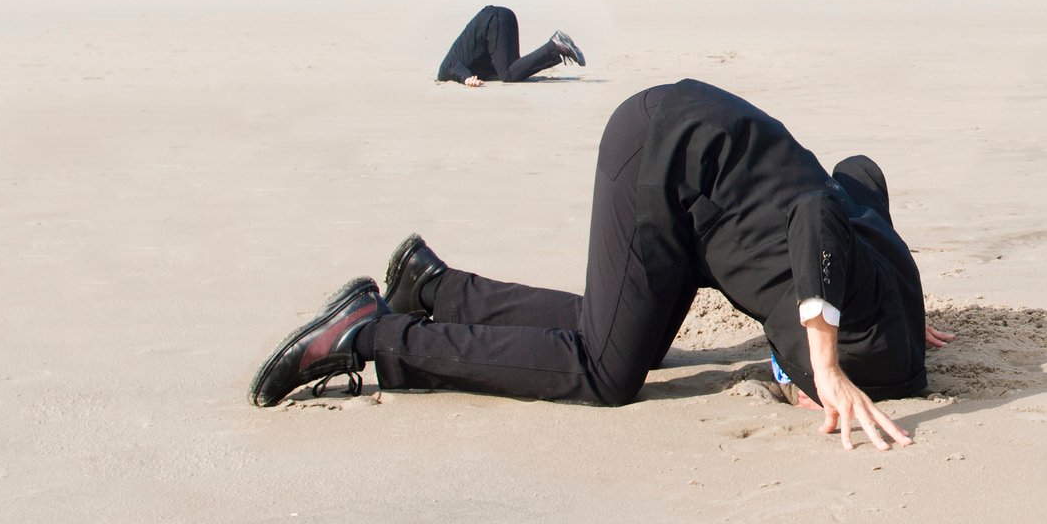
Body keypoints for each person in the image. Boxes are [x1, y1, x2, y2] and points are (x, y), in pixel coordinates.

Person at [250, 80, 951, 451]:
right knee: (604, 373)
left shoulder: (887, 309)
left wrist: (901, 310)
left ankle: (432, 287)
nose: (810, 402)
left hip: (694, 154)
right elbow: (816, 218)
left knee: (621, 333)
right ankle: (367, 335)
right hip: (661, 158)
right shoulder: (864, 338)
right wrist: (827, 365)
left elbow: (856, 174)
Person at [436, 5, 585, 86]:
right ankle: (558, 49)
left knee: (509, 75)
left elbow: (451, 66)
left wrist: (466, 78)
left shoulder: (445, 71)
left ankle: (555, 46)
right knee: (515, 69)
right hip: (504, 16)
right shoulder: (473, 63)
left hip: (494, 21)